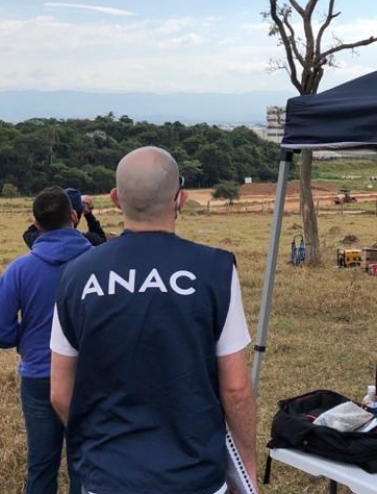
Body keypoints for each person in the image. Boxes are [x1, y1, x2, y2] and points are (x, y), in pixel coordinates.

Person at [50, 146, 257, 494]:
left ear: (115, 199)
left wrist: (99, 443)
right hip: (195, 477)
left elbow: (59, 392)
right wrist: (246, 470)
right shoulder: (216, 270)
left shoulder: (75, 274)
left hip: (108, 476)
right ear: (181, 199)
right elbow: (236, 390)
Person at [0, 187, 91, 494]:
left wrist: (24, 339)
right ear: (74, 216)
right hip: (90, 376)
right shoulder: (99, 263)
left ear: (36, 224)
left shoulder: (20, 268)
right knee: (85, 462)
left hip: (40, 375)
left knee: (41, 464)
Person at [23, 187, 107, 249]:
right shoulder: (86, 240)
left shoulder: (38, 240)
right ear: (74, 216)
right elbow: (102, 240)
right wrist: (88, 215)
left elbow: (28, 233)